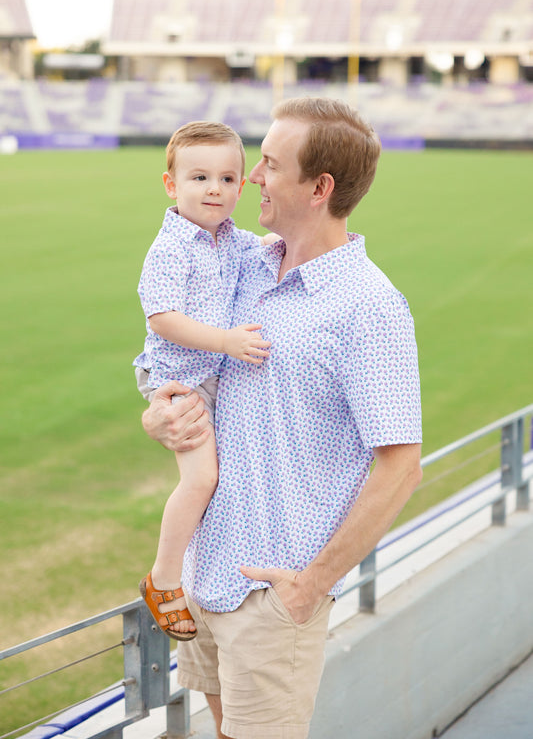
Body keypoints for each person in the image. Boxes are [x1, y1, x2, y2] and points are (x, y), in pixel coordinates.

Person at [141, 97, 423, 739]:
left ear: (319, 188)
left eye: (269, 163)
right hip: (205, 577)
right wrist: (159, 417)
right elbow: (184, 363)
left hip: (271, 594)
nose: (252, 178)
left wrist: (308, 587)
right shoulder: (243, 262)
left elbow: (402, 468)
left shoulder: (371, 308)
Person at [133, 121, 273, 640]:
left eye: (227, 179)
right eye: (199, 178)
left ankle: (201, 573)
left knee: (222, 478)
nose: (215, 189)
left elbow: (270, 247)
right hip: (179, 381)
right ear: (171, 185)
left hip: (213, 377)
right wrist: (225, 341)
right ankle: (164, 579)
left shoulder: (232, 239)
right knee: (200, 479)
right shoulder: (170, 248)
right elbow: (162, 318)